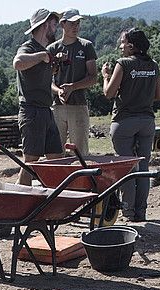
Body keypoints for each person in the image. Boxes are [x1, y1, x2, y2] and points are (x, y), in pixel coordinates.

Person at [101, 29, 160, 223]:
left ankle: (128, 212)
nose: (120, 46)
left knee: (127, 169)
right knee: (143, 168)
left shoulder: (123, 64)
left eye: (122, 42)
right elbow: (158, 96)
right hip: (147, 122)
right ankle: (141, 212)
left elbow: (109, 93)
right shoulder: (153, 65)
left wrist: (105, 77)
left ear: (131, 45)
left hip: (124, 122)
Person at [13, 8, 65, 185]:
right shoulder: (29, 48)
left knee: (56, 158)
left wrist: (54, 64)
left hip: (45, 110)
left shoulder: (44, 50)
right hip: (31, 111)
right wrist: (42, 56)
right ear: (44, 25)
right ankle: (19, 205)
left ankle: (51, 202)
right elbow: (18, 63)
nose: (56, 27)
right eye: (53, 23)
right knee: (31, 162)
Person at [46, 10, 98, 158]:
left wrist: (72, 87)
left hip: (79, 105)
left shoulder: (86, 46)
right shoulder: (52, 49)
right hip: (57, 106)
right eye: (72, 23)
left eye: (78, 23)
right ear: (63, 24)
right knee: (55, 152)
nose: (76, 27)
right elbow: (46, 80)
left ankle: (81, 180)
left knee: (80, 152)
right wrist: (59, 91)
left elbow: (93, 77)